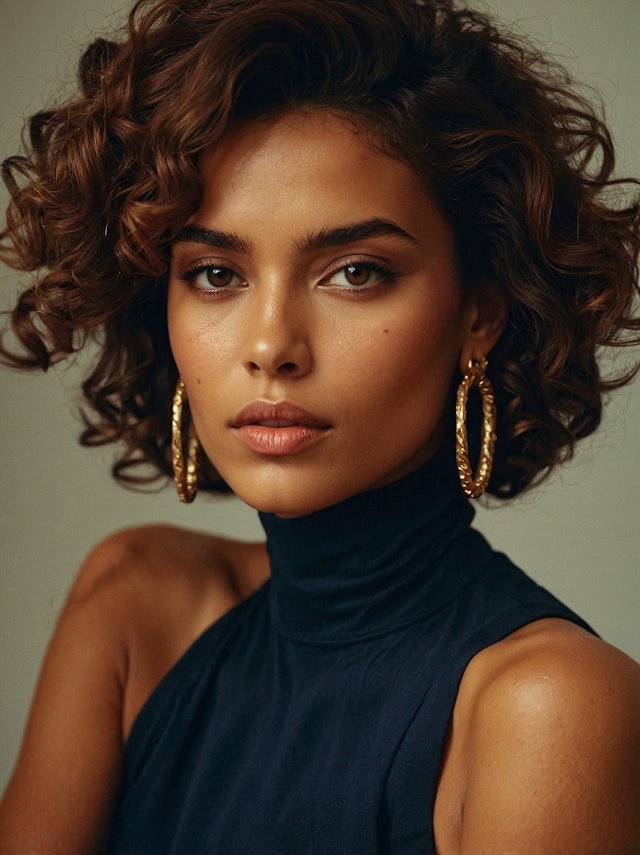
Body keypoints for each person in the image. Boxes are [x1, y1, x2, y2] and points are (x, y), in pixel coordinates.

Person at [1, 0, 639, 851]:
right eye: (217, 272)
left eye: (355, 271)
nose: (271, 346)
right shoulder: (134, 607)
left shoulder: (550, 706)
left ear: (478, 310)